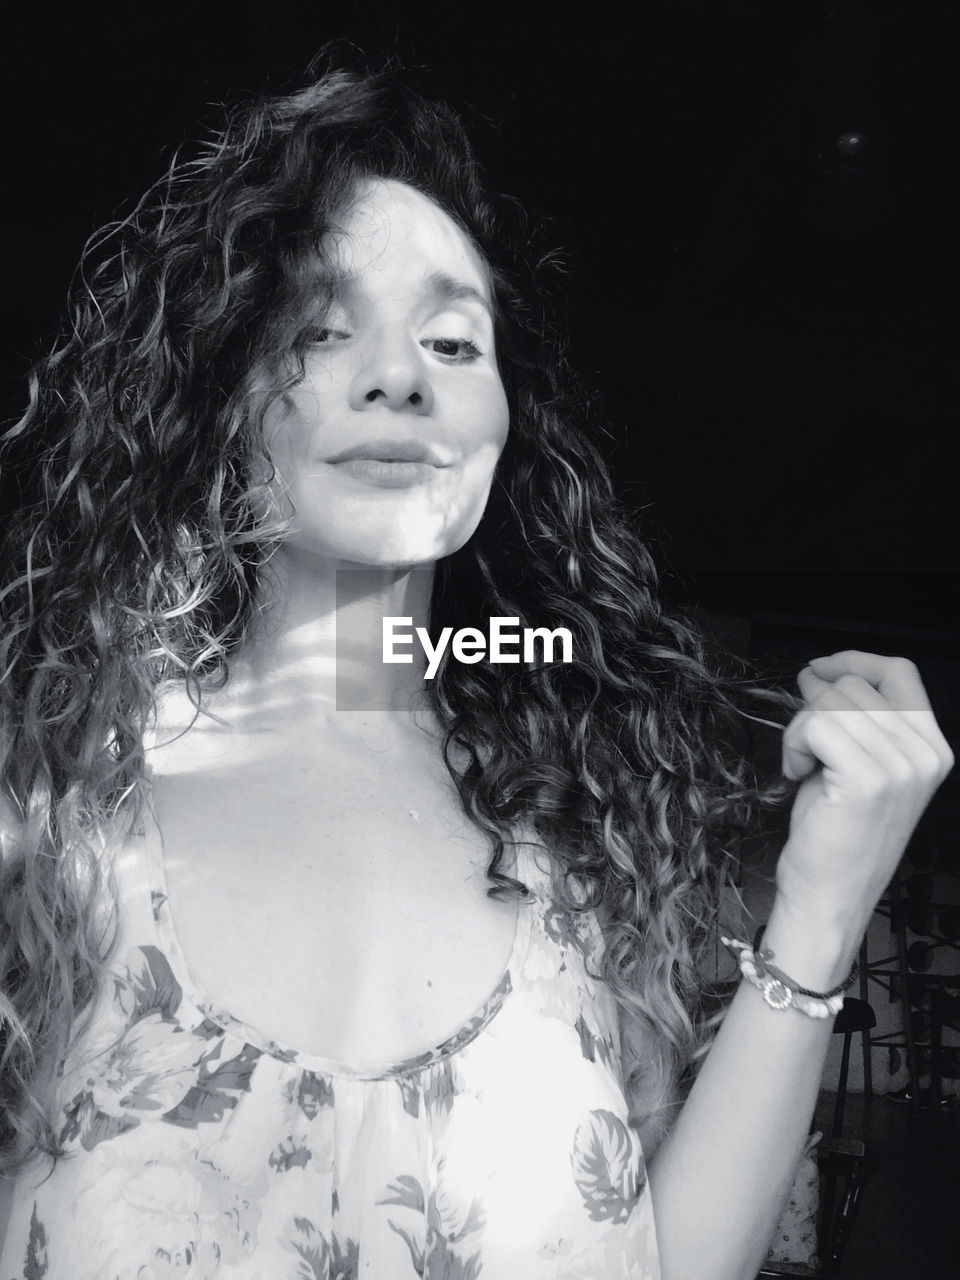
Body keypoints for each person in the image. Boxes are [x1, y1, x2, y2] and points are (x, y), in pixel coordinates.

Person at [0, 50, 952, 1280]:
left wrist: (826, 905)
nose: (400, 375)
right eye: (320, 327)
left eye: (453, 342)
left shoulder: (586, 836)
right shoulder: (51, 801)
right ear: (219, 395)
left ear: (506, 421)